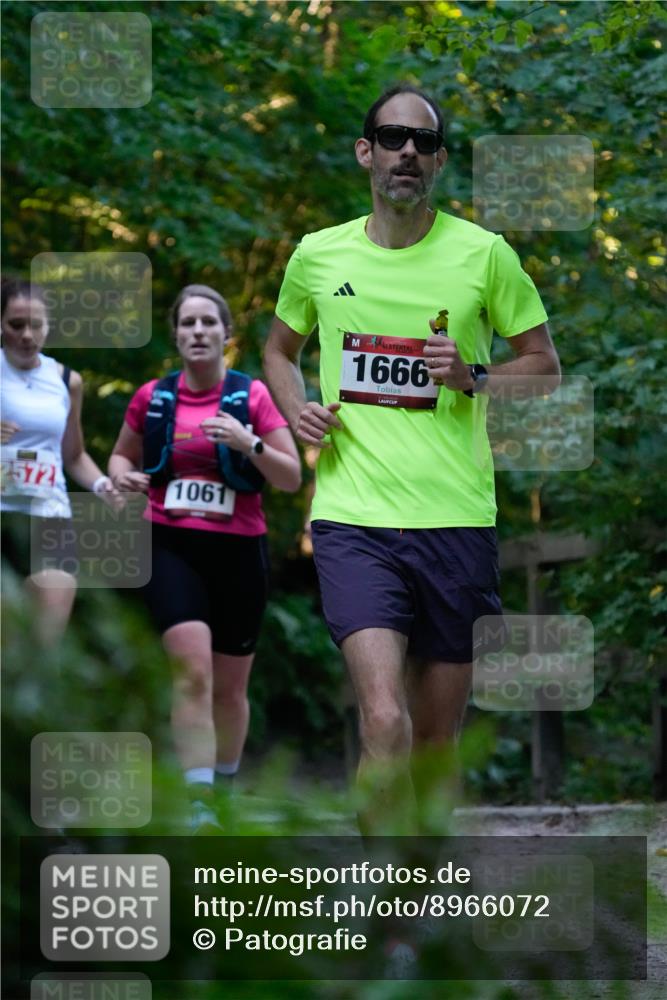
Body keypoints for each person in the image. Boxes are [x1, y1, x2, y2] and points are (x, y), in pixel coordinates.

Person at [263, 85, 560, 835]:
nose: (406, 153)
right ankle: (381, 905)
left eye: (422, 142)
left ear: (437, 162)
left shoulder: (483, 255)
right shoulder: (317, 255)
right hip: (353, 520)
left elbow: (544, 367)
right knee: (385, 720)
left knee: (432, 746)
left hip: (455, 520)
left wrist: (475, 377)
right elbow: (277, 348)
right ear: (365, 151)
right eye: (392, 138)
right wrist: (294, 403)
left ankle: (418, 903)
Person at [109, 284, 300, 832]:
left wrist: (248, 443)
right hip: (168, 543)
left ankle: (223, 790)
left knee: (231, 687)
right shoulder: (153, 397)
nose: (197, 332)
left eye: (207, 323)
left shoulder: (252, 397)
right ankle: (197, 804)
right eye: (187, 323)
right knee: (191, 671)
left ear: (226, 334)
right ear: (176, 334)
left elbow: (290, 477)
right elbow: (122, 455)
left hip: (239, 549)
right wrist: (122, 475)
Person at [1, 278, 119, 644]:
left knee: (46, 639)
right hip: (4, 515)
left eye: (35, 324)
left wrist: (104, 486)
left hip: (50, 516)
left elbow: (74, 454)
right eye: (16, 324)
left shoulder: (68, 381)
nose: (26, 334)